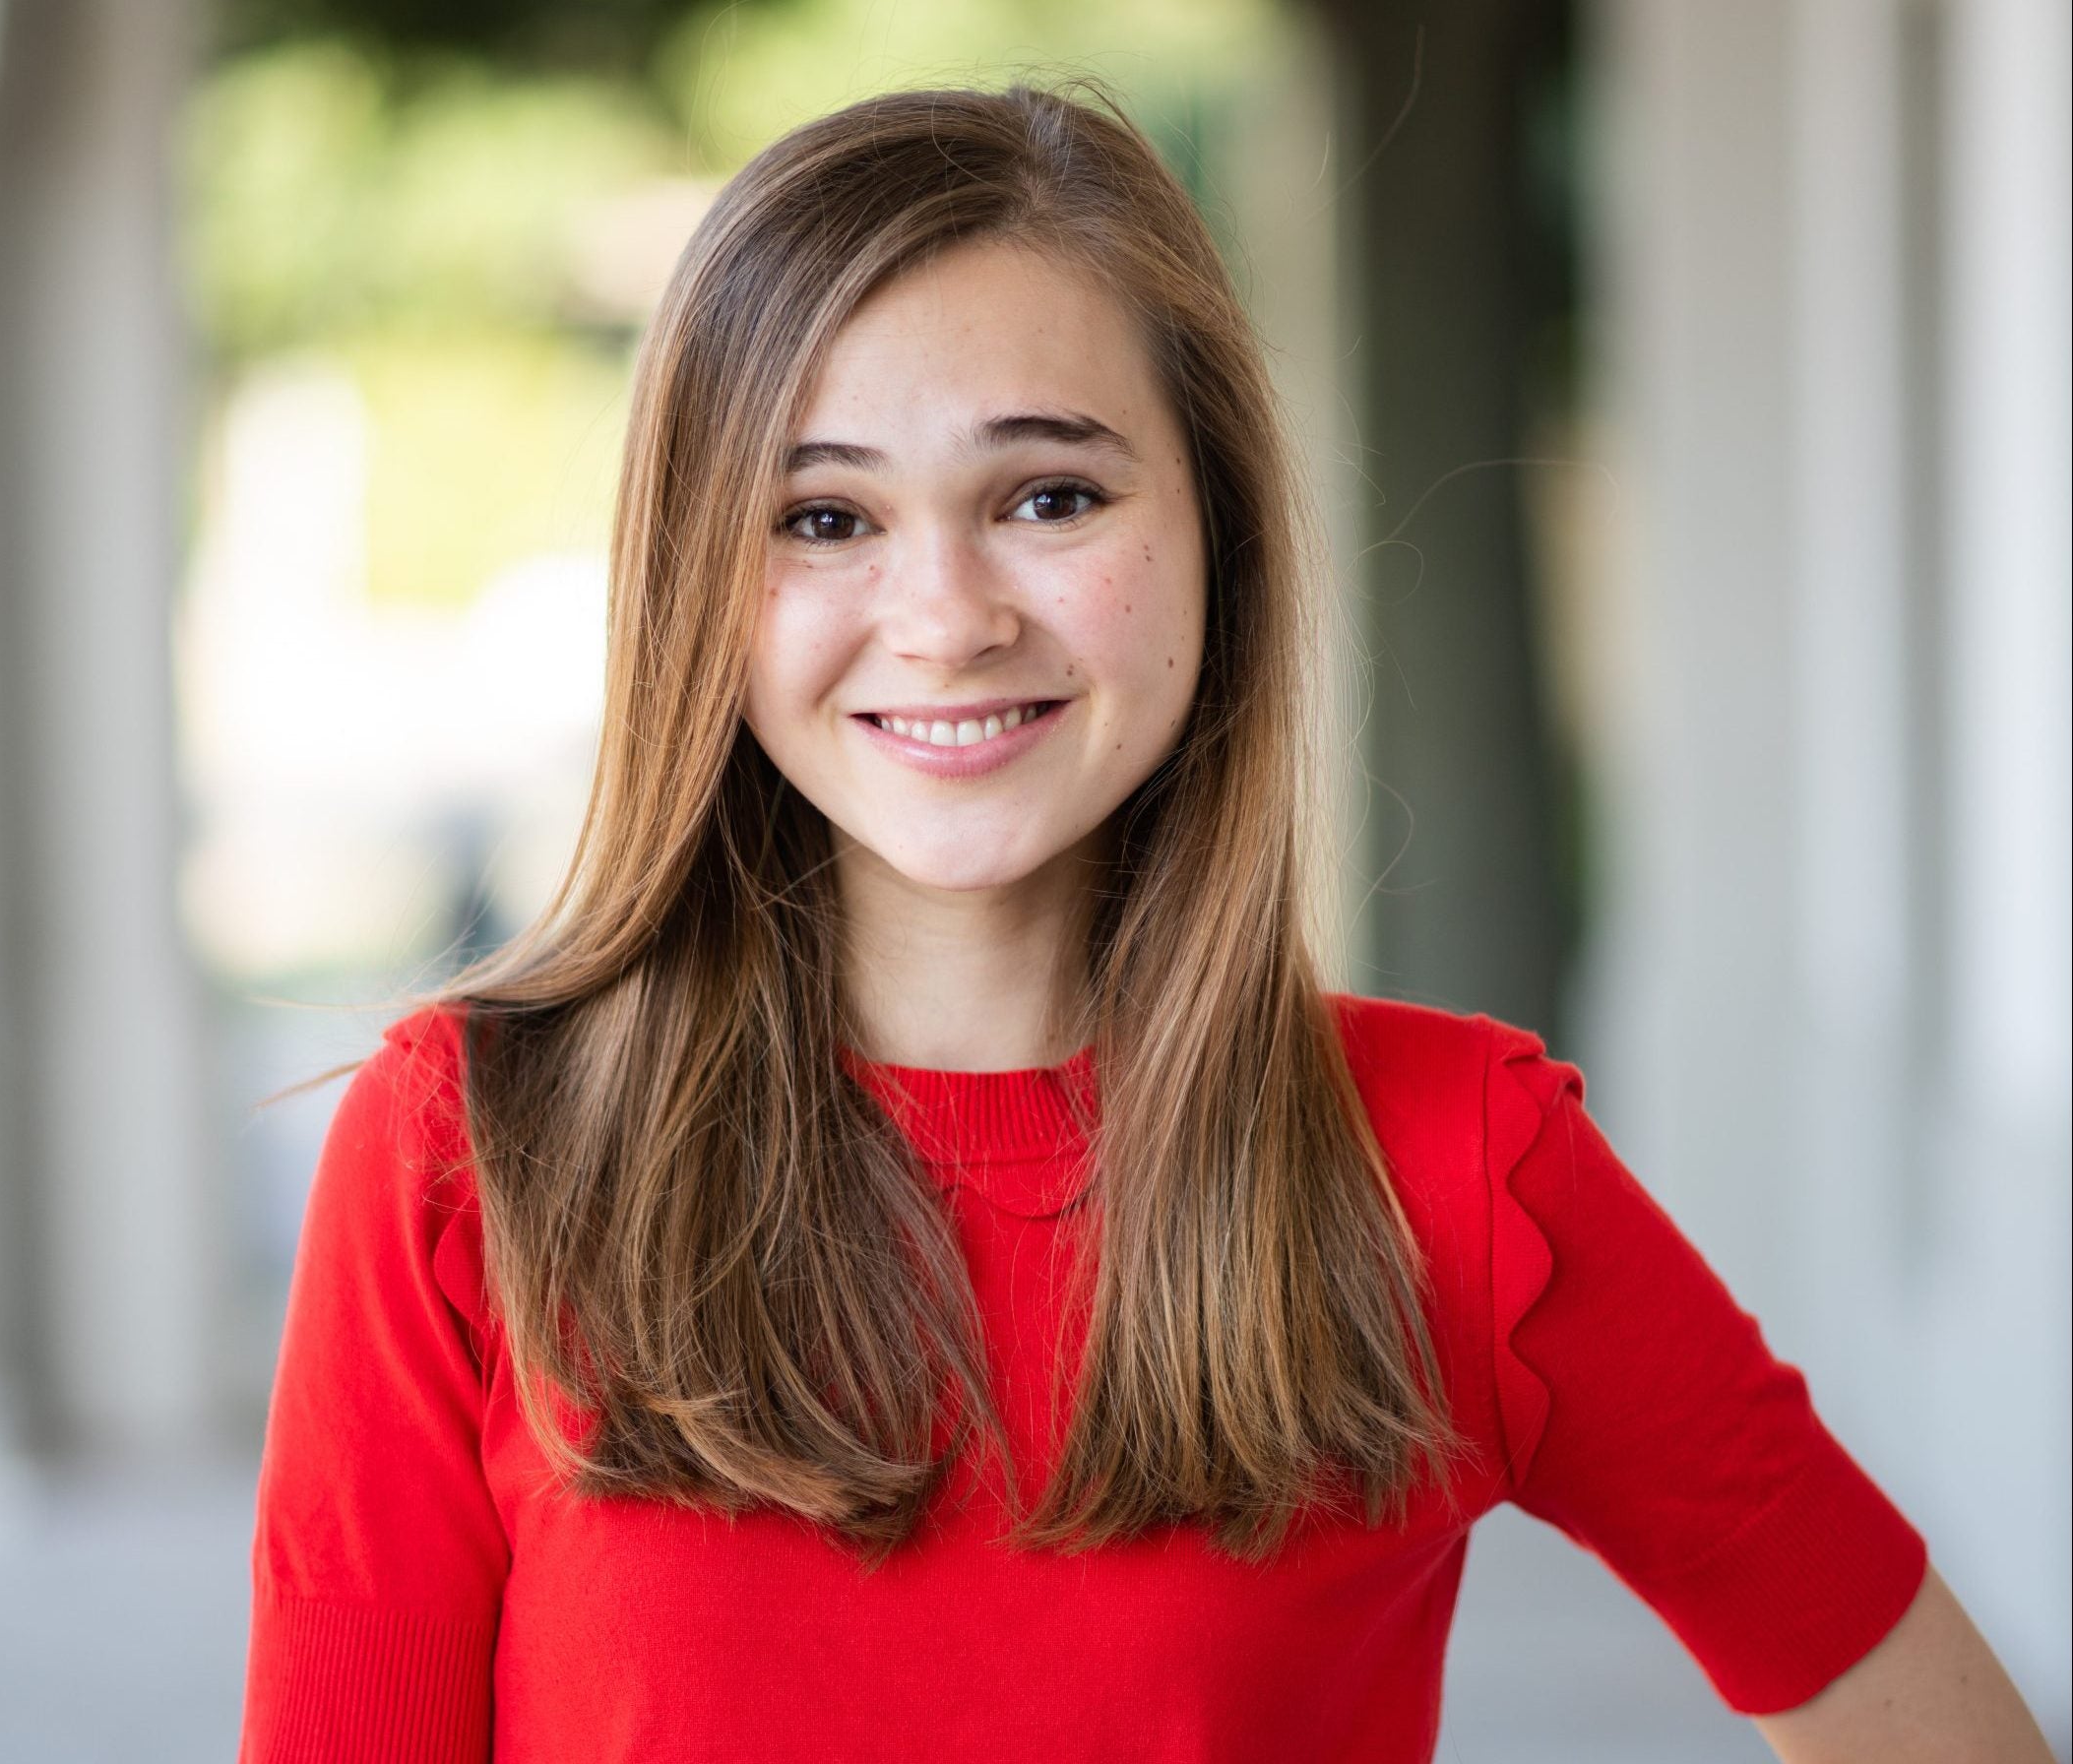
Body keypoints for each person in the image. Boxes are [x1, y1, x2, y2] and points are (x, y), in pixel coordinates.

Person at [235, 80, 2051, 1764]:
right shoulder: (471, 1153)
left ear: (1218, 538)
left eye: (1049, 495)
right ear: (695, 581)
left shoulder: (1463, 1171)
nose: (942, 617)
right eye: (822, 516)